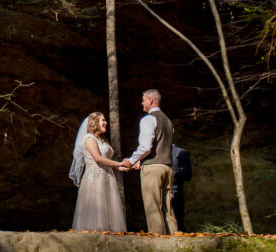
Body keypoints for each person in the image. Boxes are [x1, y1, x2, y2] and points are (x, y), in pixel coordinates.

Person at [119, 89, 178, 234]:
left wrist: (132, 160)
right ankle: (176, 240)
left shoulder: (148, 119)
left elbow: (146, 146)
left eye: (143, 99)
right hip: (168, 167)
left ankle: (158, 244)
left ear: (150, 101)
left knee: (153, 208)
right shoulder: (169, 122)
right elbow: (163, 144)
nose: (142, 103)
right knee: (167, 209)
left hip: (153, 168)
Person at [69, 111, 127, 232]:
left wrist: (127, 166)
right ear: (94, 123)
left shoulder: (102, 140)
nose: (105, 123)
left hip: (107, 176)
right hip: (95, 177)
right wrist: (120, 163)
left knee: (109, 206)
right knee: (96, 206)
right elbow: (98, 158)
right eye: (103, 120)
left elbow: (109, 163)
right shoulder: (89, 139)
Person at [171, 144, 192, 232]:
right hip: (159, 192)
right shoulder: (154, 152)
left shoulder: (181, 153)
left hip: (175, 193)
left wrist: (172, 174)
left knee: (178, 224)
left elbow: (187, 175)